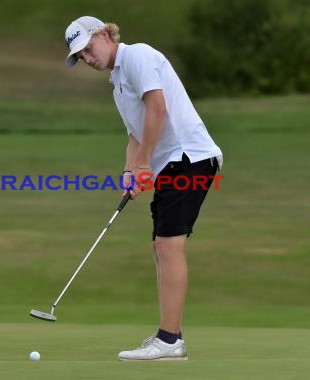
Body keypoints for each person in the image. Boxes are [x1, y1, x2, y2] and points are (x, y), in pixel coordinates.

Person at [64, 17, 223, 360]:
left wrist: (143, 165)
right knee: (161, 246)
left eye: (89, 49)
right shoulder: (118, 82)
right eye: (80, 57)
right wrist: (129, 169)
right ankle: (169, 337)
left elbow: (158, 108)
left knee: (167, 245)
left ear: (105, 34)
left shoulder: (136, 56)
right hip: (173, 162)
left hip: (188, 156)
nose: (87, 59)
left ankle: (169, 341)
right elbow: (136, 133)